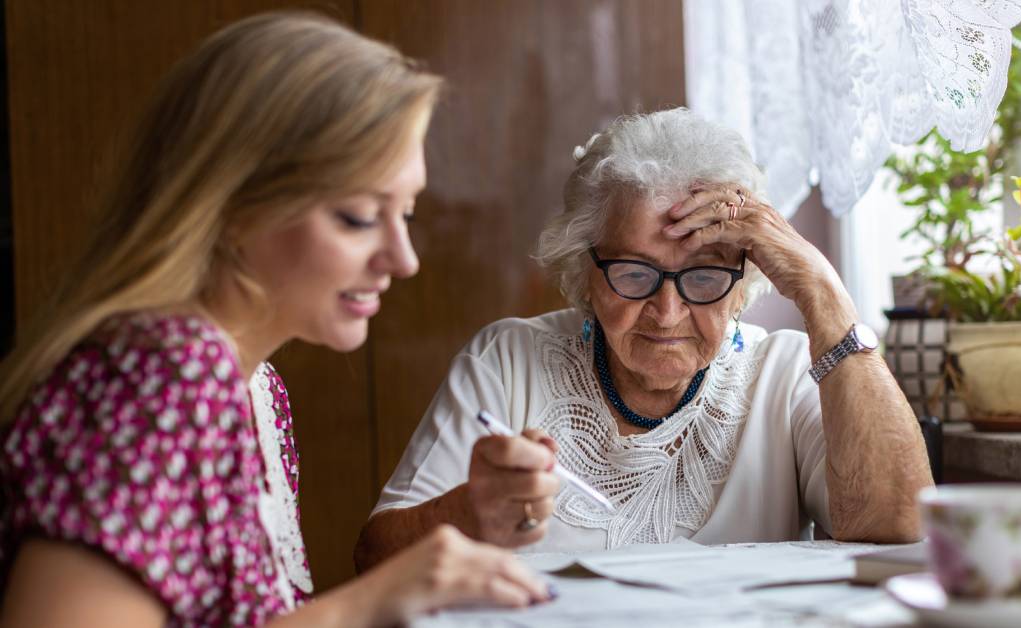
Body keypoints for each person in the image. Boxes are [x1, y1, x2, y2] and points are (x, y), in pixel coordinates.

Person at [0, 12, 550, 627]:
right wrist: (366, 603)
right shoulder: (163, 372)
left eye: (408, 213)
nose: (405, 260)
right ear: (233, 207)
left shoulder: (258, 389)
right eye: (360, 217)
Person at [355, 108, 934, 566]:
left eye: (704, 276)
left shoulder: (783, 375)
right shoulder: (509, 360)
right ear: (586, 273)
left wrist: (823, 294)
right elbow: (376, 557)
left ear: (742, 282)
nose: (667, 311)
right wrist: (469, 511)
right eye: (634, 274)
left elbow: (902, 527)